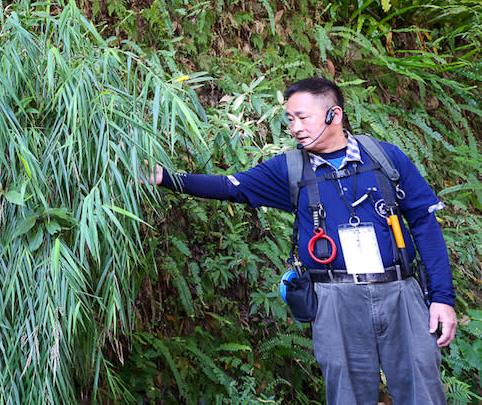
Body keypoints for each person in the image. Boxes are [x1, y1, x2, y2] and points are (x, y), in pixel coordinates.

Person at [145, 77, 457, 404]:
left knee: (423, 391)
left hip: (400, 292)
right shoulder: (291, 169)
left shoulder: (384, 158)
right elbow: (230, 186)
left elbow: (424, 223)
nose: (294, 127)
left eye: (303, 117)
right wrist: (165, 178)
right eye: (289, 119)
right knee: (347, 396)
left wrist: (442, 298)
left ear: (333, 115)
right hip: (334, 299)